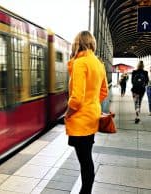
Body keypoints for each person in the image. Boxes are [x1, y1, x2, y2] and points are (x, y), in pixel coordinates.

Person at [65, 31, 108, 194]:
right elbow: (104, 92)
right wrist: (92, 103)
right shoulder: (99, 63)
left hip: (80, 119)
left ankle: (85, 191)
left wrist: (67, 114)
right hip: (92, 117)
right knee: (86, 158)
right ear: (92, 44)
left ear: (77, 44)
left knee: (85, 160)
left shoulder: (80, 63)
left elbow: (76, 98)